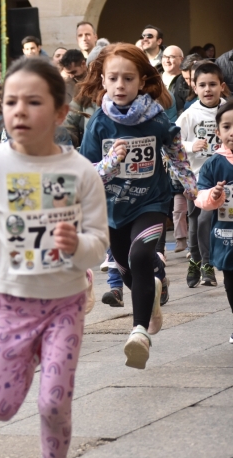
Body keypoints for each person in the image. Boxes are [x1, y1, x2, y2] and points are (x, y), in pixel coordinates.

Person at [0, 57, 108, 458]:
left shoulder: (81, 172)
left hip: (65, 302)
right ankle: (23, 354)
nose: (19, 110)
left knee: (54, 401)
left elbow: (100, 245)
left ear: (59, 112)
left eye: (33, 102)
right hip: (13, 306)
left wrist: (77, 246)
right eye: (11, 101)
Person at [77, 43, 197, 369]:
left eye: (128, 78)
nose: (120, 85)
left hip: (151, 203)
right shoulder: (98, 124)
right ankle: (153, 295)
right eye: (113, 78)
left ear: (142, 81)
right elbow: (85, 174)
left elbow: (177, 155)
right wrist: (111, 163)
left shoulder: (157, 120)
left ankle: (139, 333)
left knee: (141, 255)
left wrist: (193, 191)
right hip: (113, 212)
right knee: (129, 272)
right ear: (102, 80)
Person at [176, 62, 228, 288]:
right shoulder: (189, 115)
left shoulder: (227, 109)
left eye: (213, 84)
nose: (208, 89)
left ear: (222, 86)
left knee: (216, 220)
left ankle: (209, 261)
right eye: (202, 85)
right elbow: (172, 142)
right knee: (197, 221)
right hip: (197, 179)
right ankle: (198, 261)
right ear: (194, 88)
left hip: (225, 176)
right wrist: (190, 145)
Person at [192, 101, 233, 343]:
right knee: (231, 280)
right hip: (227, 235)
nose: (232, 132)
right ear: (218, 132)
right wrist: (214, 196)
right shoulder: (214, 163)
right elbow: (200, 196)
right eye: (227, 127)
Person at [161, 46, 187, 115]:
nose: (167, 60)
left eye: (171, 57)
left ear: (182, 60)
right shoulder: (155, 78)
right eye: (164, 57)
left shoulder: (185, 80)